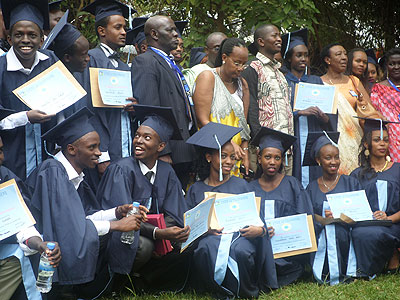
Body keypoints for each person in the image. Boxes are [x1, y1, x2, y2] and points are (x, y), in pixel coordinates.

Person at [25, 108, 146, 300]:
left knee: (110, 237)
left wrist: (116, 212)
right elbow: (70, 229)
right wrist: (117, 225)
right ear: (72, 149)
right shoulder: (53, 172)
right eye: (92, 147)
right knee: (108, 235)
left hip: (59, 247)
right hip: (38, 251)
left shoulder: (75, 176)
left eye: (99, 146)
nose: (99, 153)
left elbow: (84, 217)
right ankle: (68, 291)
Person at [97, 104, 191, 292]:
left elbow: (175, 211)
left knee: (185, 241)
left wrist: (169, 233)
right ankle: (116, 283)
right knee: (141, 245)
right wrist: (157, 233)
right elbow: (122, 218)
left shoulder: (167, 172)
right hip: (121, 233)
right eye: (137, 135)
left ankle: (144, 282)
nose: (138, 141)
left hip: (156, 231)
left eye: (147, 138)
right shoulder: (121, 170)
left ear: (161, 146)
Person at [185, 122, 278, 298]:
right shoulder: (196, 190)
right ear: (208, 157)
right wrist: (205, 230)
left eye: (232, 157)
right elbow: (189, 228)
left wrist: (259, 230)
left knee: (241, 251)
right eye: (223, 156)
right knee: (206, 248)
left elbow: (260, 221)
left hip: (240, 236)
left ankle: (244, 290)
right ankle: (214, 289)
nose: (229, 161)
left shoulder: (242, 185)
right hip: (211, 237)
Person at [131, 15, 197, 189]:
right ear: (154, 34)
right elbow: (152, 111)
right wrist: (162, 151)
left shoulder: (170, 62)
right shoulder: (145, 61)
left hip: (185, 146)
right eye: (170, 30)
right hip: (168, 150)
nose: (176, 34)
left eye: (175, 30)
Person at [81, 0, 137, 193]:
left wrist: (133, 105)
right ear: (101, 31)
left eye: (124, 28)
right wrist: (101, 154)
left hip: (124, 140)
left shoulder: (122, 65)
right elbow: (90, 109)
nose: (124, 32)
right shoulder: (91, 59)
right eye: (118, 27)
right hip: (105, 145)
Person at [0, 0, 58, 181]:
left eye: (32, 35)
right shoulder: (1, 69)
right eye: (18, 34)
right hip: (11, 154)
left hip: (47, 152)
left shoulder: (51, 62)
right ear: (9, 39)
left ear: (41, 40)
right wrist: (26, 117)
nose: (25, 40)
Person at [248, 127, 313, 287]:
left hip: (288, 252)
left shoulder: (292, 185)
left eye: (277, 158)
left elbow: (305, 219)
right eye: (268, 157)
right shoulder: (250, 188)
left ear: (282, 160)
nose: (272, 162)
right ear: (259, 157)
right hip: (259, 249)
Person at [0, 134, 61, 300]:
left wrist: (39, 244)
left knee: (25, 251)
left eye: (0, 150)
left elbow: (20, 224)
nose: (2, 158)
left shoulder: (4, 176)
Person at [303, 131, 361, 284]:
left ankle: (345, 271)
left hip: (346, 232)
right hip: (320, 234)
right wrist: (323, 220)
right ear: (318, 160)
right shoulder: (311, 187)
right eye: (328, 158)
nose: (334, 162)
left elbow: (360, 213)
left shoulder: (351, 182)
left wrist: (340, 217)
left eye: (336, 157)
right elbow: (309, 215)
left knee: (337, 231)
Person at [281, 28, 335, 187]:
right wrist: (299, 113)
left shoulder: (316, 81)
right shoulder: (283, 82)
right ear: (289, 58)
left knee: (314, 176)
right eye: (298, 55)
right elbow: (279, 114)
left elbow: (329, 116)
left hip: (314, 135)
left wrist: (324, 118)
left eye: (306, 55)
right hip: (294, 135)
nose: (303, 59)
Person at [193, 37, 251, 176]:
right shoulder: (208, 77)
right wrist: (229, 143)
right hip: (213, 154)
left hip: (235, 157)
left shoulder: (242, 85)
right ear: (224, 57)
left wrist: (245, 153)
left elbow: (243, 126)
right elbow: (202, 120)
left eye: (244, 64)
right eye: (237, 63)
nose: (240, 68)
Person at [320, 43, 380, 175]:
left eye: (345, 54)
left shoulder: (353, 81)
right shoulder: (318, 83)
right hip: (331, 140)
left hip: (355, 140)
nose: (344, 58)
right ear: (327, 60)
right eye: (338, 54)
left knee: (356, 174)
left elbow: (369, 111)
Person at [242, 24, 294, 175]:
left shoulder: (280, 72)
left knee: (284, 189)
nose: (279, 39)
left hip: (285, 148)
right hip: (265, 149)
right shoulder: (252, 68)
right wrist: (260, 143)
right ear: (261, 41)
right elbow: (250, 106)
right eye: (274, 36)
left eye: (279, 35)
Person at [350, 118, 400, 277]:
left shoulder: (398, 169)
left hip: (394, 223)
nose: (382, 144)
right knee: (360, 233)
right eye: (377, 140)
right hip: (365, 224)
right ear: (366, 144)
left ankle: (390, 258)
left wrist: (388, 218)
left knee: (376, 232)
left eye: (386, 140)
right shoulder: (357, 174)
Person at [370, 48, 400, 162]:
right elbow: (374, 112)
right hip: (390, 137)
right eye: (392, 64)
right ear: (386, 66)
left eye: (399, 63)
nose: (396, 67)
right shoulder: (378, 88)